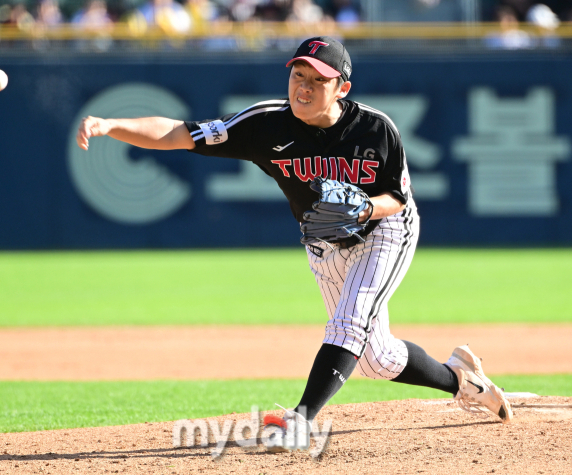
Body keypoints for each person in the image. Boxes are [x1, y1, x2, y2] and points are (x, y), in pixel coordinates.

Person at [76, 35, 513, 453]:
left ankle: (300, 421)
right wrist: (112, 124)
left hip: (385, 230)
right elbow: (179, 133)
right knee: (375, 359)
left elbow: (395, 199)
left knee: (349, 324)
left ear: (342, 87)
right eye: (298, 75)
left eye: (318, 80)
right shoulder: (266, 123)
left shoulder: (376, 129)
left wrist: (362, 209)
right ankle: (464, 381)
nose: (304, 87)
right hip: (323, 239)